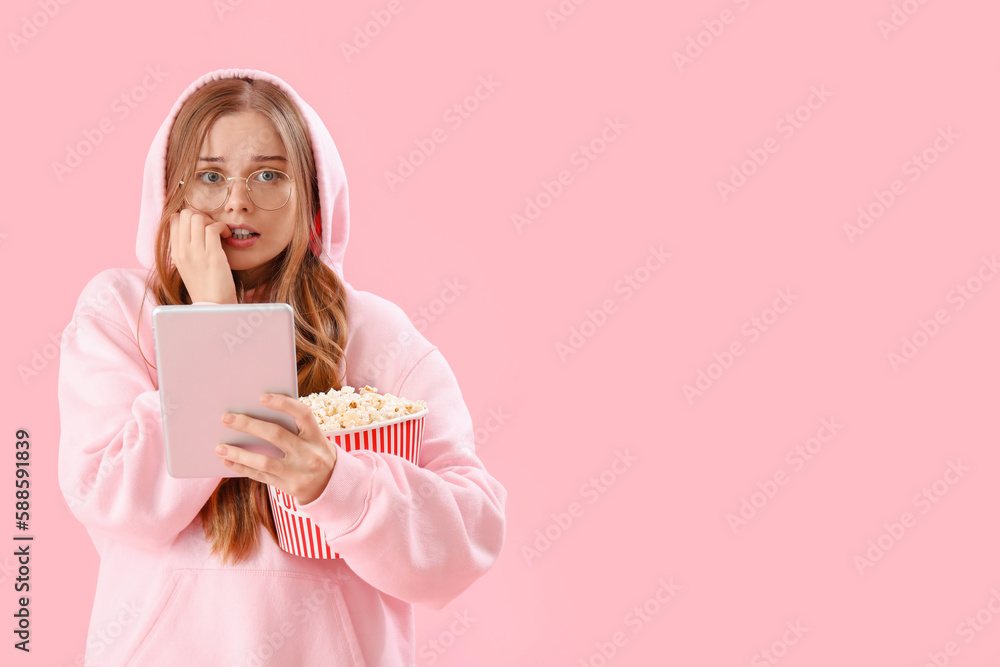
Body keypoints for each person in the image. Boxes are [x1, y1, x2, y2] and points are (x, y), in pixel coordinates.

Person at [56, 68, 507, 666]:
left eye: (269, 174)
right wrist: (215, 324)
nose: (238, 200)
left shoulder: (376, 334)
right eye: (211, 176)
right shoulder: (121, 312)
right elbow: (115, 500)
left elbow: (468, 538)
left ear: (313, 196)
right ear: (173, 192)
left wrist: (337, 485)